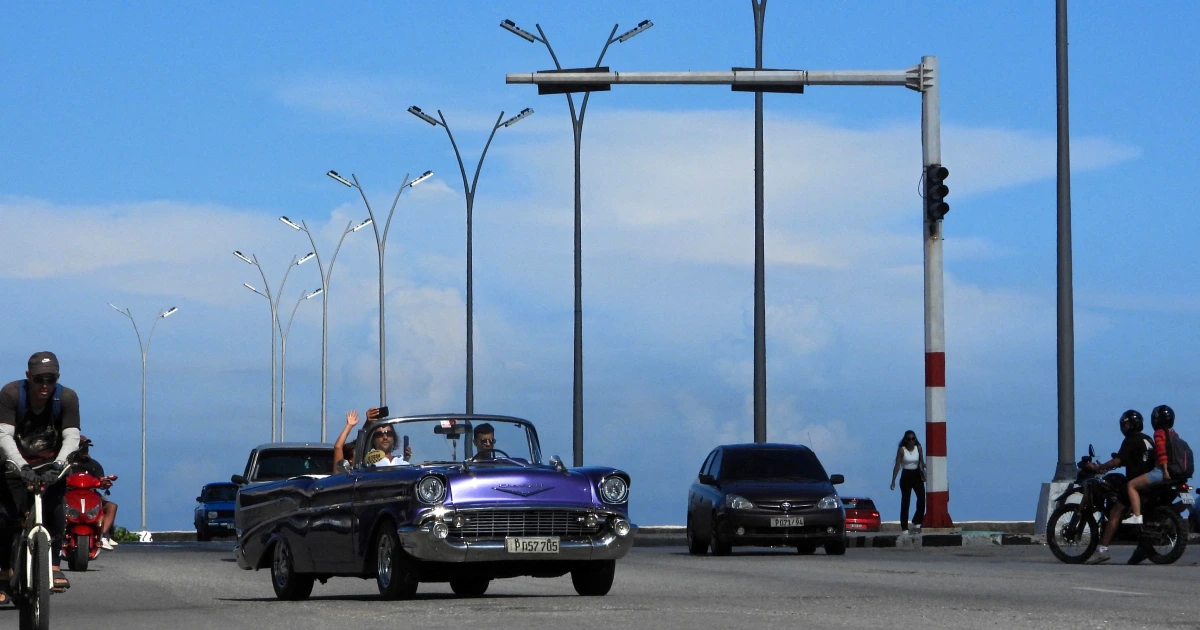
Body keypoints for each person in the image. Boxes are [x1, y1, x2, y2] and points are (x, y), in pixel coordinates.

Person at [0, 351, 81, 599]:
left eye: (50, 379)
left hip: (50, 464)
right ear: (28, 376)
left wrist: (58, 466)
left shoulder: (66, 397)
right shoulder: (11, 394)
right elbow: (3, 435)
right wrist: (20, 465)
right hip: (14, 463)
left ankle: (54, 565)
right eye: (39, 380)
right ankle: (4, 572)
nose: (45, 385)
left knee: (56, 508)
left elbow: (71, 437)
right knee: (5, 517)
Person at [1083, 409, 1153, 564]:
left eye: (1126, 423)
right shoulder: (1148, 439)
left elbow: (1118, 461)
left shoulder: (1131, 439)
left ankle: (1102, 550)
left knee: (1116, 510)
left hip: (1136, 481)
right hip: (1151, 481)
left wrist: (1098, 467)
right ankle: (1142, 547)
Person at [1124, 405, 1177, 526]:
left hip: (1161, 472)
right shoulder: (1174, 434)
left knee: (1131, 485)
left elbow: (1162, 453)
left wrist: (1164, 470)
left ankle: (1136, 516)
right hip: (1175, 472)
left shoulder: (1159, 433)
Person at [67, 436, 118, 550]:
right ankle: (55, 535)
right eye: (82, 448)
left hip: (91, 494)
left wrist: (105, 482)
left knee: (111, 506)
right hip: (69, 494)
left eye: (86, 448)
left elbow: (101, 479)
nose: (85, 451)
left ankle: (103, 536)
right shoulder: (66, 463)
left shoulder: (93, 464)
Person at [889, 430, 926, 533]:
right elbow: (897, 465)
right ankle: (904, 526)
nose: (911, 441)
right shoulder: (902, 450)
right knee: (906, 501)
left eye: (913, 439)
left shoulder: (918, 448)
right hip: (906, 476)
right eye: (909, 439)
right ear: (905, 440)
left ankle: (917, 520)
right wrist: (893, 481)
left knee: (922, 498)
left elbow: (922, 462)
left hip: (917, 475)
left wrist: (928, 466)